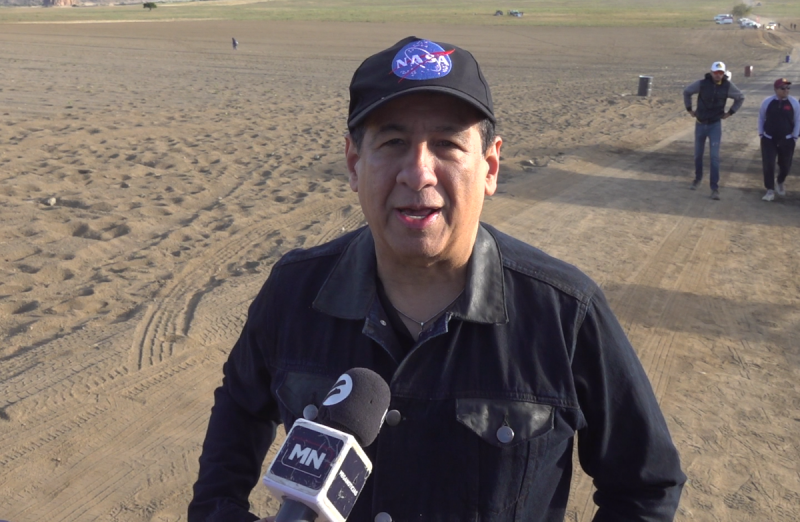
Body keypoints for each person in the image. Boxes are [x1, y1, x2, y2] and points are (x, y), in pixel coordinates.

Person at [188, 37, 686, 522]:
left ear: (489, 167)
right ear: (354, 164)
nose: (418, 172)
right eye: (393, 142)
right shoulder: (295, 292)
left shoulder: (564, 312)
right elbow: (239, 409)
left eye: (447, 144)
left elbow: (645, 485)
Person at [683, 61, 745, 200]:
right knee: (698, 154)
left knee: (714, 157)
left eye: (721, 73)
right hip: (700, 124)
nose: (718, 75)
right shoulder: (702, 84)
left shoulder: (728, 86)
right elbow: (687, 92)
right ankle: (697, 179)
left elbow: (740, 97)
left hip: (715, 125)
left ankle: (714, 188)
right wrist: (689, 109)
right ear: (711, 72)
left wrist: (730, 112)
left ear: (724, 74)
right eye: (716, 72)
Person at [758, 78, 800, 201]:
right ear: (776, 89)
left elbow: (798, 120)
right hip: (769, 139)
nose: (786, 90)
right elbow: (761, 118)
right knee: (769, 164)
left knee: (785, 165)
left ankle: (780, 181)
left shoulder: (794, 103)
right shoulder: (767, 102)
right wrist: (761, 134)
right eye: (782, 88)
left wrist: (795, 137)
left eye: (787, 88)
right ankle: (770, 190)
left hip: (787, 139)